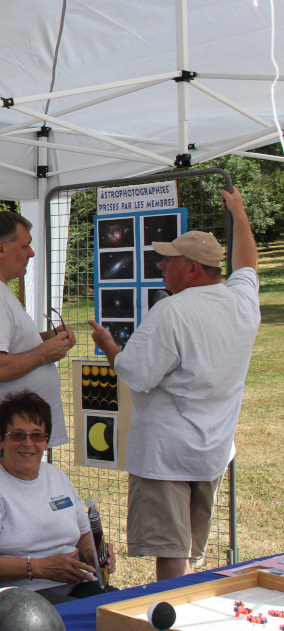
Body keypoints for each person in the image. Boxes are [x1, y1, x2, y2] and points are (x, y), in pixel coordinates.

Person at [88, 186, 260, 582]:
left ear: (194, 269)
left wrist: (109, 345)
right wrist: (239, 212)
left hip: (166, 456)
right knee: (187, 557)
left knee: (170, 557)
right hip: (212, 452)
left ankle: (171, 619)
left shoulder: (172, 311)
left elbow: (136, 374)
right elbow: (248, 264)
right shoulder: (242, 303)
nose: (161, 267)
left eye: (169, 261)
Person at [0, 390, 117, 609]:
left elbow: (84, 533)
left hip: (74, 586)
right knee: (89, 619)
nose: (28, 443)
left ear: (46, 442)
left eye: (37, 435)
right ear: (0, 440)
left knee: (125, 611)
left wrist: (94, 554)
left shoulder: (56, 476)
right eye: (18, 435)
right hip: (16, 598)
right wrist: (36, 568)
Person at [0, 211, 75, 469]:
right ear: (0, 249)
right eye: (25, 245)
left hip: (15, 439)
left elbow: (7, 344)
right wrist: (44, 353)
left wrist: (48, 339)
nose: (31, 253)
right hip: (6, 443)